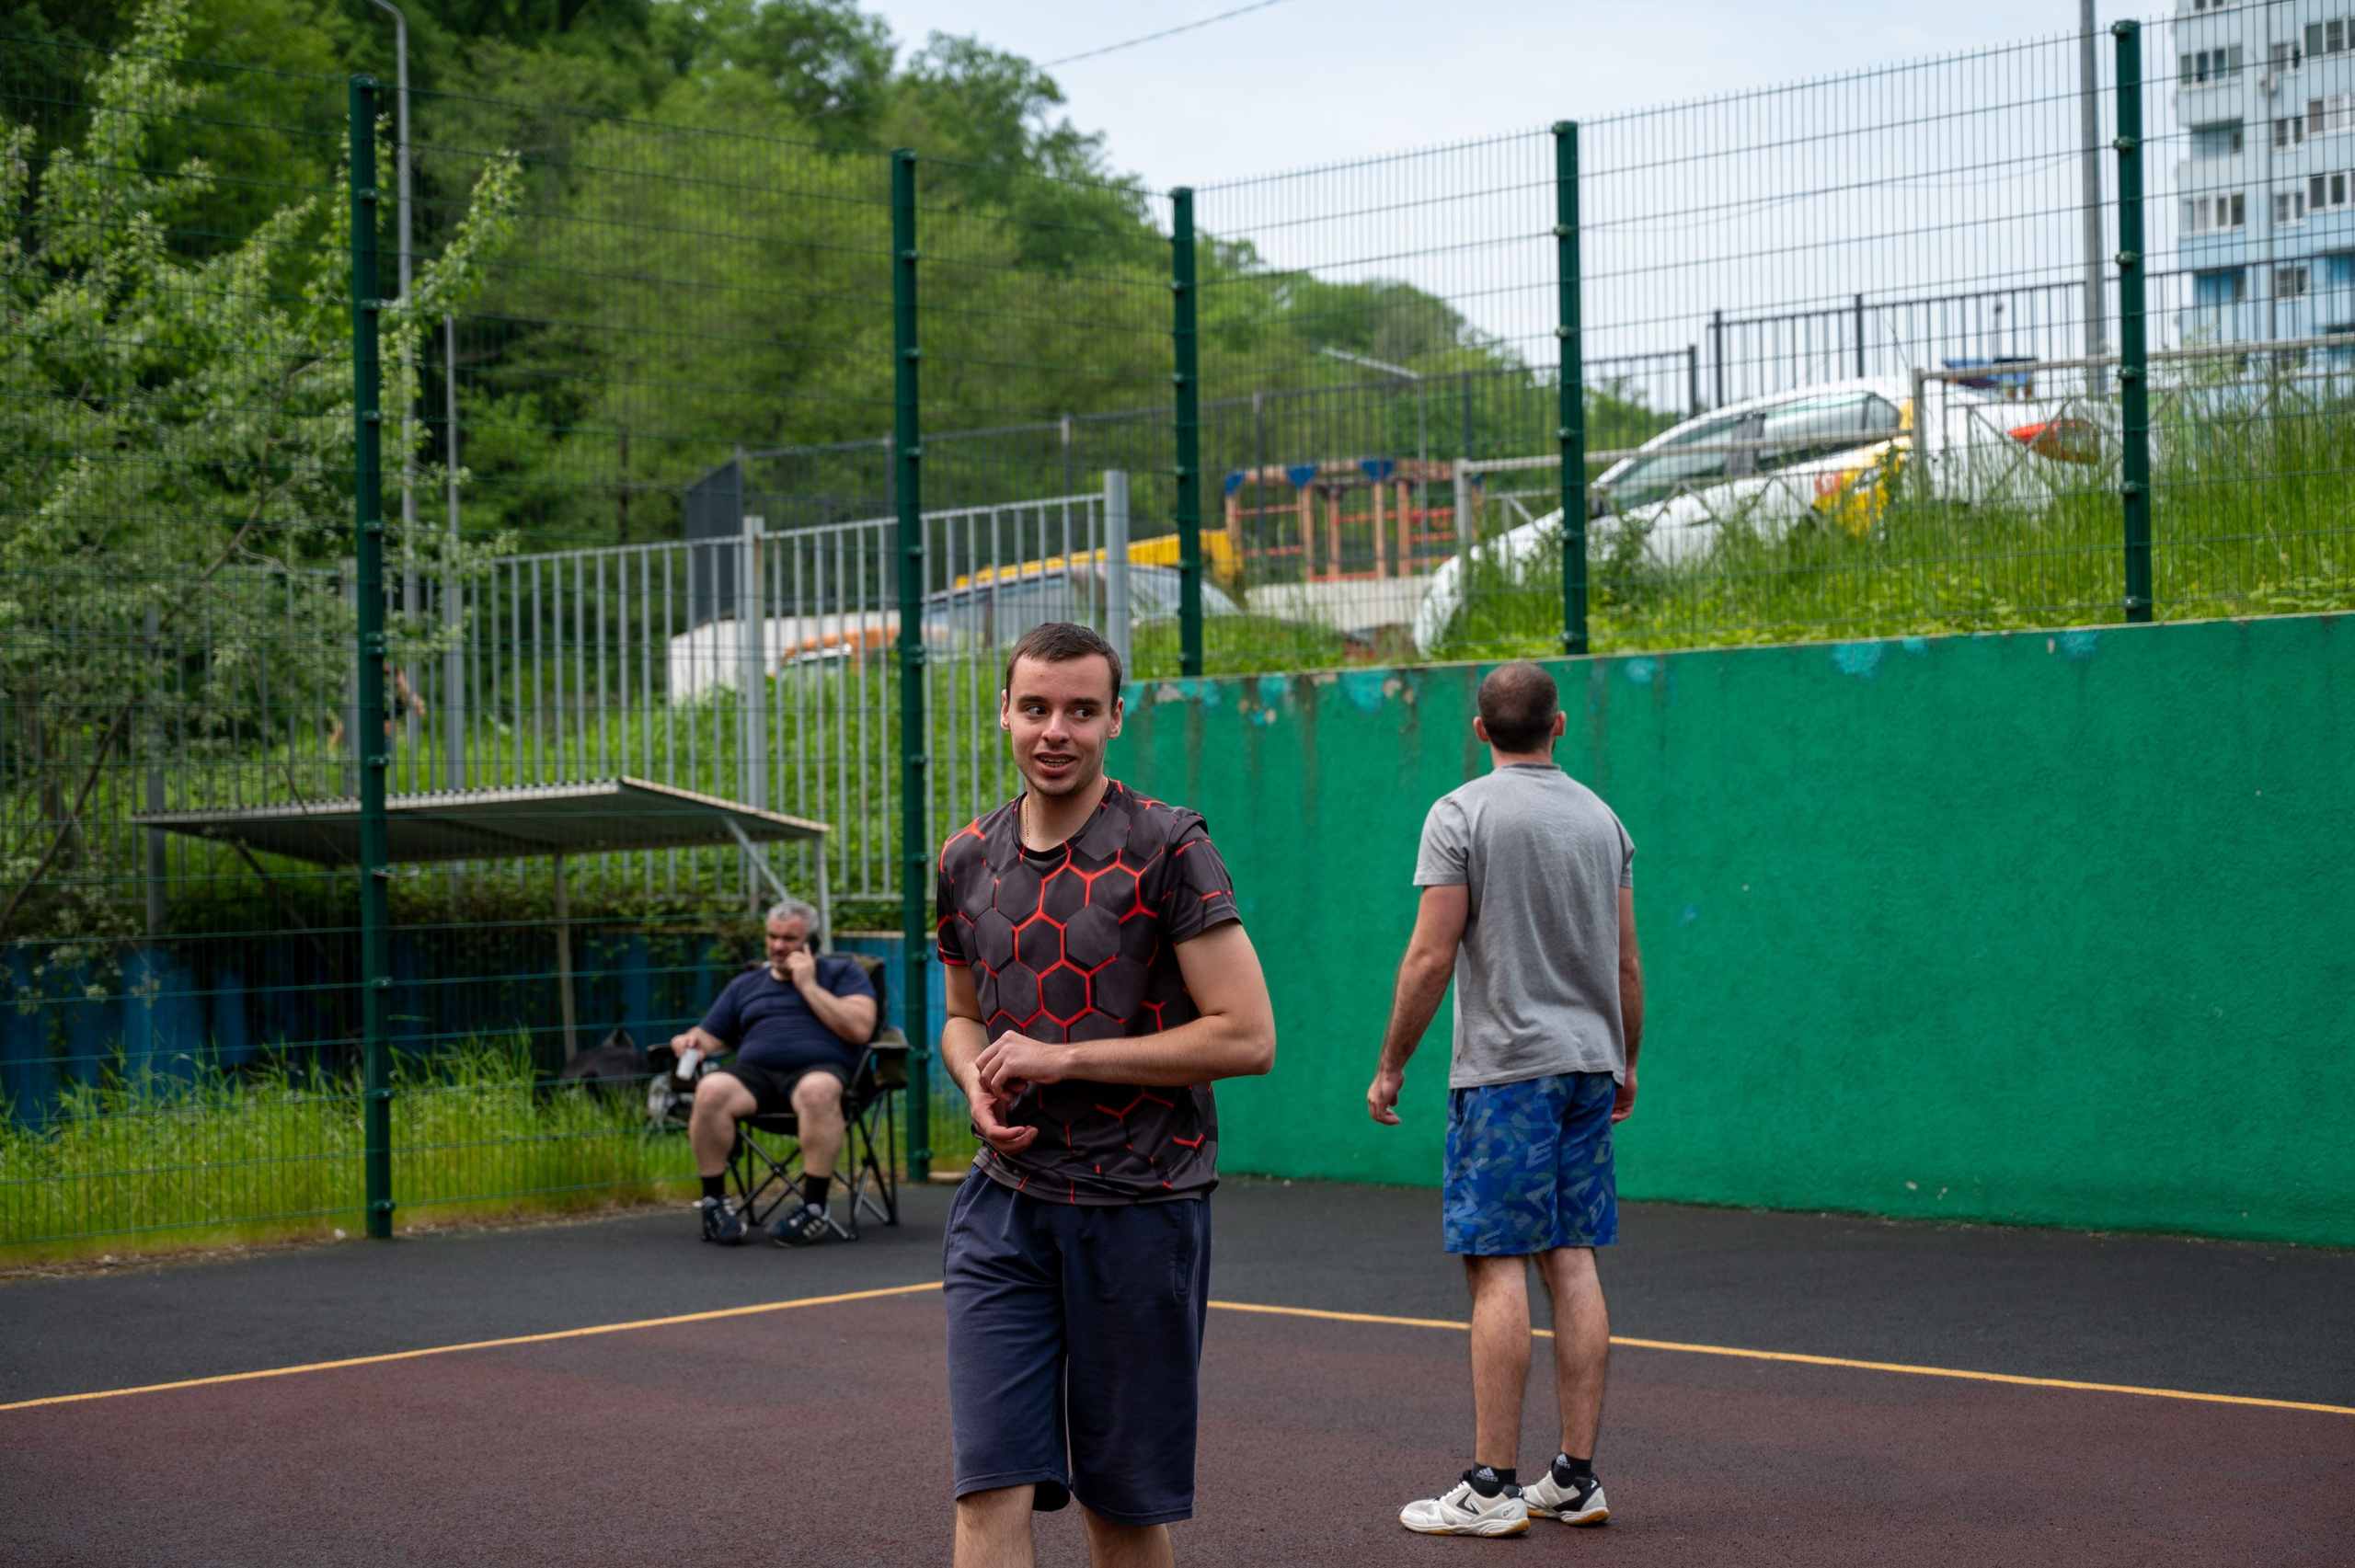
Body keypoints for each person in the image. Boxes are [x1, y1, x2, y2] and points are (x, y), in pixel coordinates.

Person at [936, 621, 1277, 1568]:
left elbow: (1247, 1037)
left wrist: (1063, 1058)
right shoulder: (966, 860)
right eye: (1035, 707)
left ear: (1114, 718)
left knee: (1120, 1508)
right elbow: (963, 1017)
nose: (1056, 730)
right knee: (987, 1486)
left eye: (1081, 710)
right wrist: (974, 1077)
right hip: (1002, 1211)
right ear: (1003, 711)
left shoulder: (1170, 847)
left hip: (1141, 1208)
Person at [1364, 660, 1644, 1539]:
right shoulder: (1606, 820)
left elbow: (1429, 955)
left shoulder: (1462, 812)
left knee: (1496, 1264)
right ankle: (1576, 1477)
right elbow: (1628, 963)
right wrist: (1626, 1059)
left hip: (1505, 1073)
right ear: (1558, 725)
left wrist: (1390, 1065)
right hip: (1589, 1068)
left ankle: (1491, 1484)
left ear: (1480, 731)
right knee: (1572, 1255)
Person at [669, 898, 878, 1246]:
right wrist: (690, 1039)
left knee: (817, 1090)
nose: (779, 946)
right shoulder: (746, 984)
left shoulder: (842, 973)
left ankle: (813, 1208)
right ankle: (714, 1203)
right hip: (756, 1074)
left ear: (811, 941)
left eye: (790, 939)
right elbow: (711, 1035)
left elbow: (860, 1029)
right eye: (772, 937)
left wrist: (808, 985)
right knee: (710, 1088)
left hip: (820, 1070)